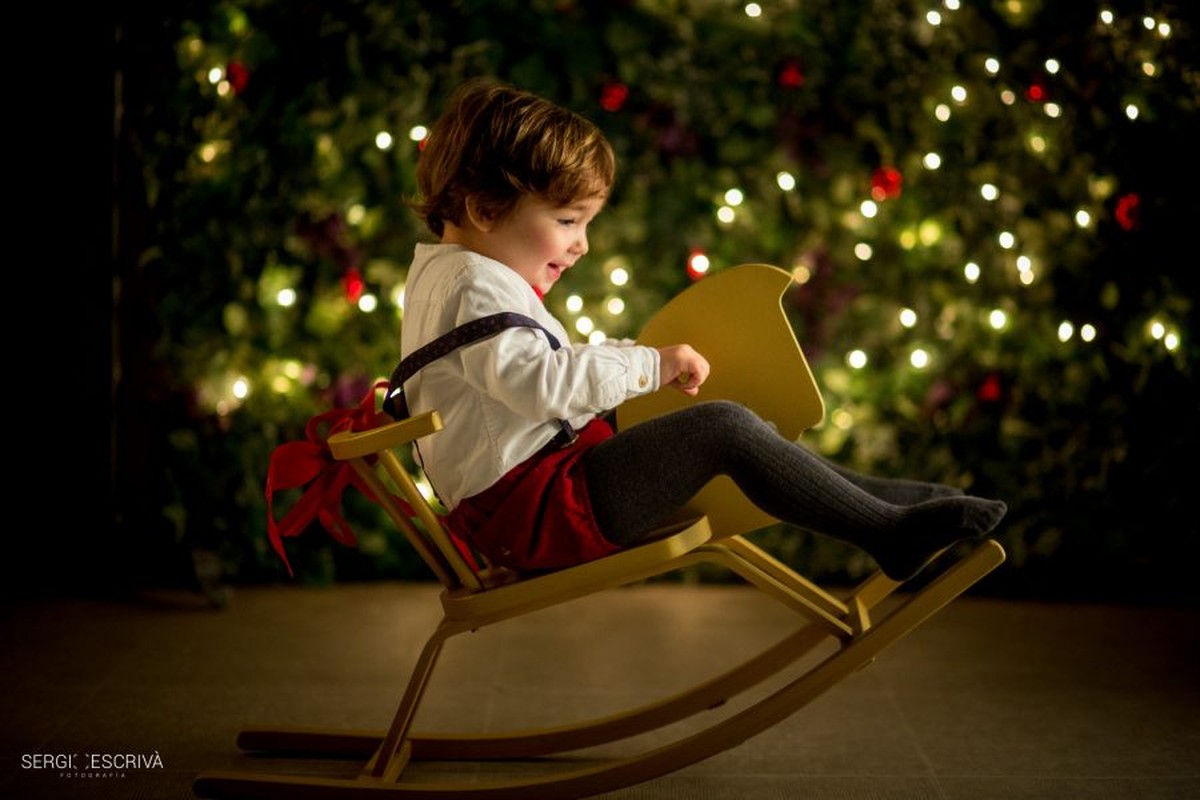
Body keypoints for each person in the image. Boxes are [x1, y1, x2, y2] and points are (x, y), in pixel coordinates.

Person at [397, 78, 1006, 581]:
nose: (581, 245)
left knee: (723, 418)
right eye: (566, 220)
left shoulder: (456, 277)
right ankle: (889, 530)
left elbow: (526, 373)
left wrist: (628, 357)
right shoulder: (475, 286)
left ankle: (898, 502)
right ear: (484, 209)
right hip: (539, 514)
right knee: (721, 427)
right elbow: (536, 383)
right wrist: (648, 365)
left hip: (541, 494)